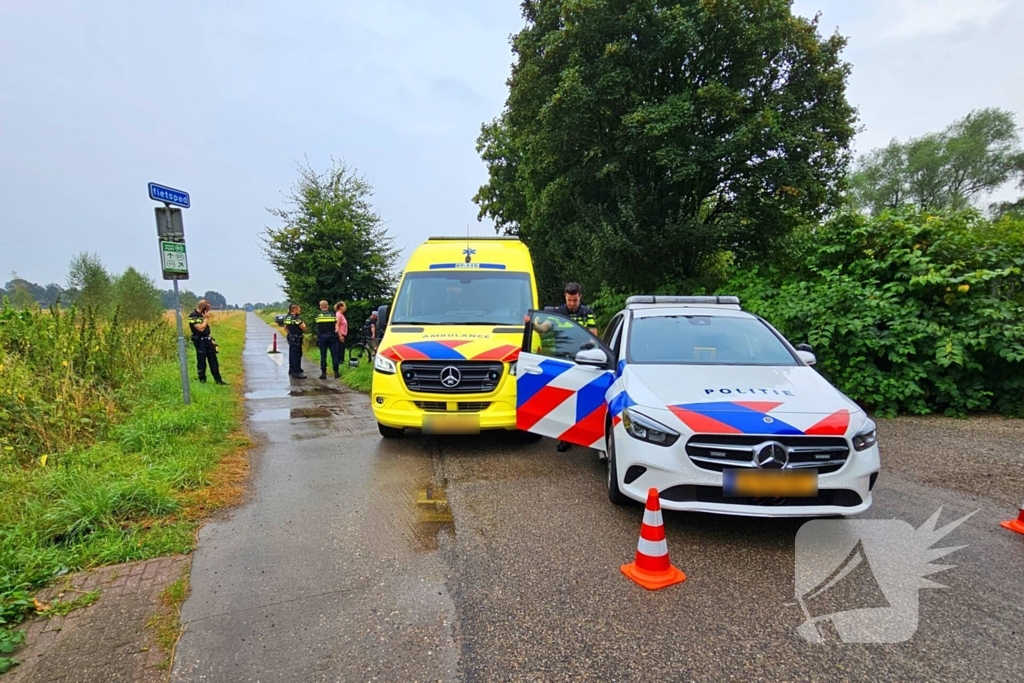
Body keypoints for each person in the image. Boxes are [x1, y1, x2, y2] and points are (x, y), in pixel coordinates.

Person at [525, 283, 599, 452]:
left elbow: (594, 336)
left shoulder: (588, 312)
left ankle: (584, 434)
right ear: (565, 297)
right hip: (562, 362)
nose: (572, 303)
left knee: (582, 399)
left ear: (580, 296)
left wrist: (589, 346)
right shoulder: (557, 313)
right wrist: (532, 325)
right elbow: (543, 329)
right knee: (562, 401)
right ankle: (565, 438)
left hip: (582, 361)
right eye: (569, 300)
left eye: (575, 300)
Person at [187, 299, 227, 385]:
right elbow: (201, 328)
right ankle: (202, 380)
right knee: (201, 361)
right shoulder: (193, 316)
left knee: (213, 361)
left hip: (207, 340)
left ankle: (218, 380)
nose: (208, 311)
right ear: (203, 308)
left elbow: (206, 330)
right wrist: (206, 319)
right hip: (200, 342)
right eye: (207, 308)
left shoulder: (202, 315)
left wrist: (211, 339)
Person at [314, 300, 342, 379]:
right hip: (332, 336)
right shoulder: (332, 314)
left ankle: (323, 373)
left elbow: (317, 324)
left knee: (323, 355)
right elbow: (335, 323)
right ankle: (336, 372)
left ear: (320, 306)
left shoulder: (318, 315)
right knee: (334, 355)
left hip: (322, 337)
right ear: (328, 306)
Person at [283, 304, 307, 379]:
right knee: (297, 354)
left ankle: (291, 369)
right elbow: (303, 327)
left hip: (290, 337)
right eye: (298, 310)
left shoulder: (287, 317)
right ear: (294, 310)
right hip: (297, 337)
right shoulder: (296, 318)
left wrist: (291, 333)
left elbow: (285, 328)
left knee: (292, 354)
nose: (299, 312)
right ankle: (297, 372)